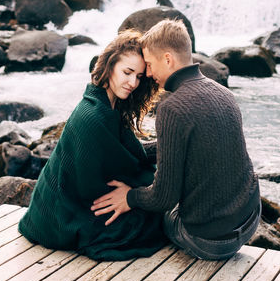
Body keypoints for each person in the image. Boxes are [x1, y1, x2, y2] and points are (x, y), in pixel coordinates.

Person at [92, 18, 260, 261]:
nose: (148, 74)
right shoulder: (224, 93)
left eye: (149, 65)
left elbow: (163, 198)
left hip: (210, 242)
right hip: (250, 219)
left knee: (152, 216)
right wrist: (136, 151)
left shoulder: (172, 108)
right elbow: (192, 145)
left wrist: (129, 197)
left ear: (168, 59)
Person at [17, 31, 168, 259]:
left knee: (154, 200)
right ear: (109, 66)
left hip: (55, 207)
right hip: (60, 218)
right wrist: (147, 187)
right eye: (127, 72)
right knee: (154, 220)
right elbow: (100, 185)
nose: (133, 83)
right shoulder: (94, 116)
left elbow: (129, 160)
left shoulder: (109, 105)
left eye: (138, 76)